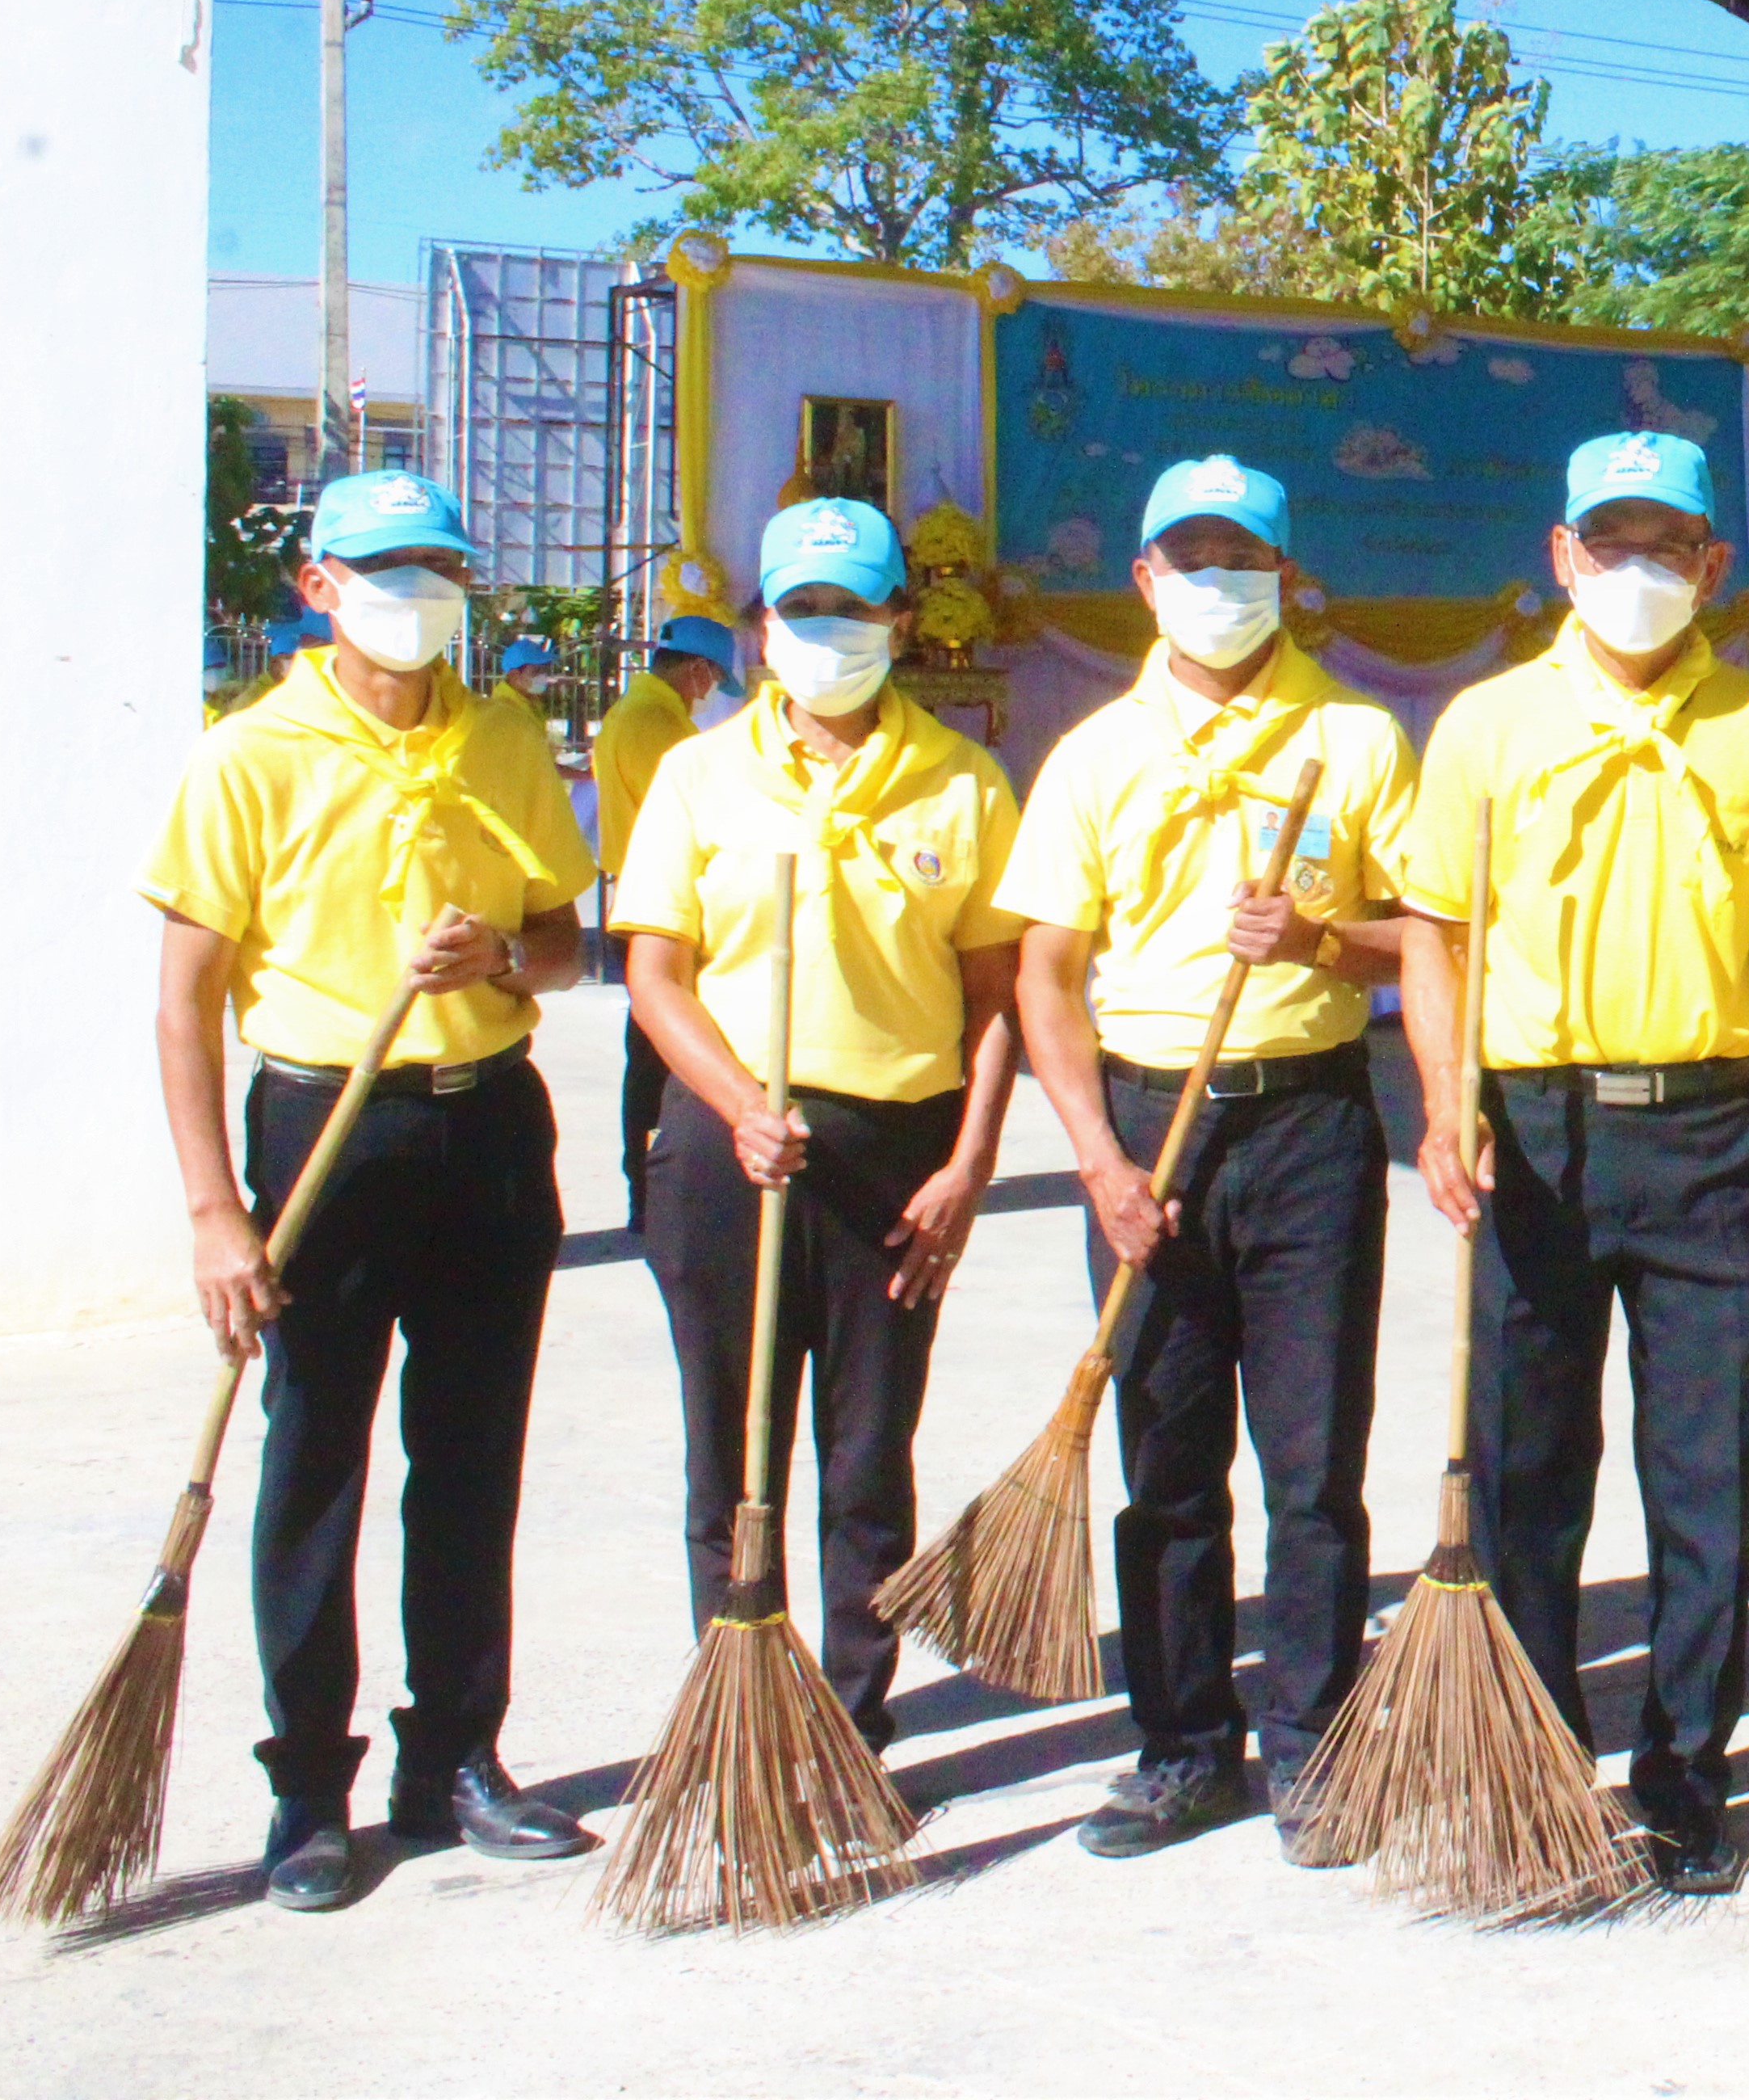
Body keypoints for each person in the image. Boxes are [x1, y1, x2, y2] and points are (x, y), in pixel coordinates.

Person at [1398, 431, 1749, 1894]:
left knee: (1702, 1471)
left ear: (1714, 565)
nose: (1638, 572)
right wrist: (1441, 1096)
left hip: (1716, 1136)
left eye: (1669, 545)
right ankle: (1532, 1759)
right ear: (1560, 557)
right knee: (1525, 1468)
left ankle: (1682, 1770)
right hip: (1534, 1132)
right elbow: (1433, 933)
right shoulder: (1482, 725)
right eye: (1611, 544)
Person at [144, 468, 597, 1911]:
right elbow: (184, 1001)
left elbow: (565, 945)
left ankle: (454, 1756)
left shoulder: (507, 734)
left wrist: (500, 965)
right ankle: (306, 1789)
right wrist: (218, 1207)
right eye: (386, 568)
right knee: (315, 1457)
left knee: (469, 1454)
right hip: (323, 1131)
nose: (420, 595)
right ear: (319, 585)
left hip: (484, 1122)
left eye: (441, 568)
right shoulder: (249, 754)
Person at [999, 454, 1417, 1858]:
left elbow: (1426, 937)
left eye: (1242, 558)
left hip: (1307, 1118)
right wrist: (1094, 1158)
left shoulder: (1351, 738)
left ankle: (1312, 1742)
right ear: (1144, 579)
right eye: (1190, 559)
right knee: (1164, 1462)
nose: (1216, 585)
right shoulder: (1092, 758)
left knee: (1311, 1462)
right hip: (1145, 1125)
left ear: (1287, 576)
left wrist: (1315, 940)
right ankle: (1181, 1743)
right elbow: (1045, 977)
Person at [613, 499, 1028, 1750]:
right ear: (758, 631)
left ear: (901, 619)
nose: (827, 631)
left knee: (865, 1457)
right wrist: (741, 1106)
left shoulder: (962, 780)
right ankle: (741, 1712)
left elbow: (996, 998)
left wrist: (968, 1166)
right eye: (802, 609)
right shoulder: (697, 775)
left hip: (895, 1156)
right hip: (728, 1146)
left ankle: (852, 1719)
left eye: (853, 607)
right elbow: (655, 975)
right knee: (732, 1450)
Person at [595, 612, 737, 1228]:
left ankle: (652, 1188)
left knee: (657, 1052)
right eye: (711, 680)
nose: (709, 693)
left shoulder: (642, 713)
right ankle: (651, 1192)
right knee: (661, 1054)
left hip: (647, 898)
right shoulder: (656, 725)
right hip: (663, 905)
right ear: (699, 669)